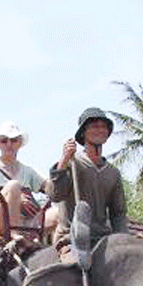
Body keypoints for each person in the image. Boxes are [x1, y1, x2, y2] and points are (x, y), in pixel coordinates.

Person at [49, 107, 127, 250]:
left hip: (102, 238)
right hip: (71, 237)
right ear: (83, 133)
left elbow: (118, 214)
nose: (100, 130)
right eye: (94, 126)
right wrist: (64, 160)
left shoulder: (113, 173)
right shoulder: (73, 163)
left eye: (104, 126)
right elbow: (55, 195)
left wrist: (124, 240)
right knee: (73, 262)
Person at [0, 121, 59, 239]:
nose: (9, 144)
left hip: (27, 222)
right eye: (4, 140)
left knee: (58, 213)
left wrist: (64, 167)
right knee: (13, 186)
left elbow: (49, 187)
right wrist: (15, 198)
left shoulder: (27, 170)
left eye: (14, 140)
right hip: (0, 220)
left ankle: (60, 247)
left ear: (19, 143)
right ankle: (14, 235)